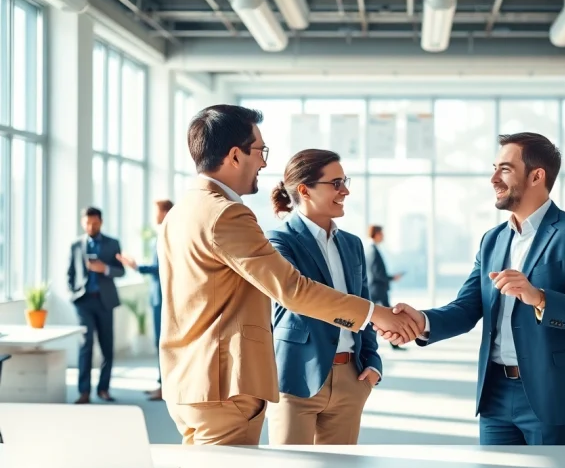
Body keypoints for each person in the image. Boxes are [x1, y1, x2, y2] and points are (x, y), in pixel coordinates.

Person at [157, 104, 419, 446]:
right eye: (259, 151)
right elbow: (292, 290)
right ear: (235, 156)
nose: (264, 163)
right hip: (223, 383)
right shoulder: (228, 214)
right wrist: (375, 314)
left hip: (189, 379)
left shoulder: (182, 212)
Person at [381, 132, 565, 446]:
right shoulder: (492, 240)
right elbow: (467, 308)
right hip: (495, 395)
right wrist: (420, 323)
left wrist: (540, 298)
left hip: (553, 394)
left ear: (537, 176)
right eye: (494, 168)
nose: (493, 178)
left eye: (504, 169)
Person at [265, 149, 381, 445]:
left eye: (345, 181)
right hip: (296, 377)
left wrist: (372, 363)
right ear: (305, 189)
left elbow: (363, 303)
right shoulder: (278, 241)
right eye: (336, 183)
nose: (345, 190)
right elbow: (301, 296)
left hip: (351, 378)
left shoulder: (352, 245)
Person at [116, 199, 173, 401]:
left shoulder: (168, 235)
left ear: (165, 212)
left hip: (164, 298)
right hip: (158, 296)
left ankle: (165, 387)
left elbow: (162, 267)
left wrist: (137, 266)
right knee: (161, 343)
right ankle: (162, 385)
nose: (154, 215)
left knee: (163, 343)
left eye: (156, 211)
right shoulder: (163, 235)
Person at [67, 206, 125, 404]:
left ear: (101, 222)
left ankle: (103, 389)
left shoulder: (112, 243)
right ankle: (84, 392)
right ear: (82, 223)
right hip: (83, 301)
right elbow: (70, 273)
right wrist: (72, 294)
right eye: (87, 223)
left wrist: (105, 268)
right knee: (85, 346)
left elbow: (121, 271)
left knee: (106, 346)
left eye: (95, 223)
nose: (91, 226)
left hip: (105, 302)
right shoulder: (76, 244)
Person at [366, 225, 405, 350]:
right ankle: (393, 344)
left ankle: (393, 344)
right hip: (378, 289)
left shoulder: (372, 249)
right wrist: (393, 278)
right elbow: (378, 273)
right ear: (376, 234)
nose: (383, 236)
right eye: (382, 234)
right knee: (386, 316)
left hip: (377, 289)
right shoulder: (372, 250)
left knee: (371, 317)